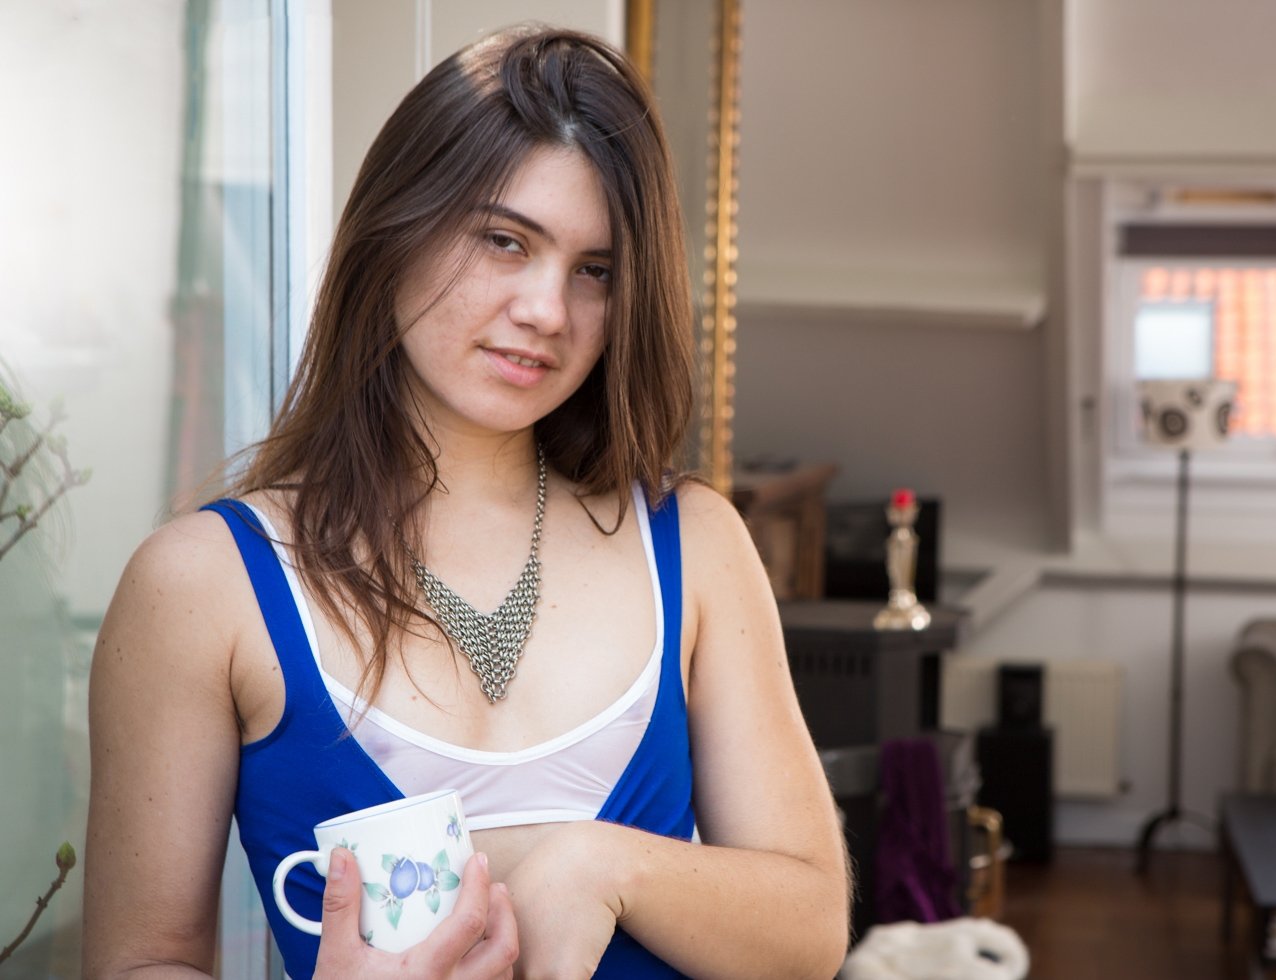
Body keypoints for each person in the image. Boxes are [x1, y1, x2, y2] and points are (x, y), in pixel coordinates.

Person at [83, 26, 849, 980]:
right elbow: (139, 961)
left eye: (595, 271)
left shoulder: (691, 545)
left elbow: (812, 929)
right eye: (504, 241)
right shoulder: (204, 585)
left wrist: (601, 866)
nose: (547, 310)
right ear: (395, 230)